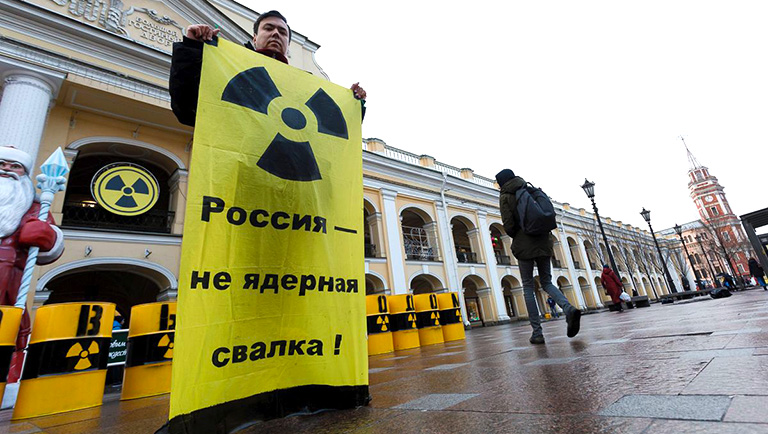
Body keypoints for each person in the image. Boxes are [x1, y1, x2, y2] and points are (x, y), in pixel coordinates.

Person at [169, 10, 367, 127]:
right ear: (255, 38)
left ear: (288, 45)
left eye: (282, 32)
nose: (275, 34)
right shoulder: (230, 71)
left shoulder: (305, 86)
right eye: (268, 28)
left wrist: (353, 104)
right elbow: (186, 109)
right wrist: (192, 48)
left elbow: (331, 130)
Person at [0, 146, 64, 381]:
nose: (6, 170)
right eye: (2, 164)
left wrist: (45, 235)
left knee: (10, 329)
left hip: (10, 280)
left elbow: (53, 247)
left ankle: (9, 377)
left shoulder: (32, 206)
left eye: (14, 166)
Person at [495, 169, 581, 345]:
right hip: (543, 241)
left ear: (502, 182)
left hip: (524, 243)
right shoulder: (529, 189)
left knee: (527, 286)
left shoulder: (505, 196)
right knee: (547, 282)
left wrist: (518, 234)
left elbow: (508, 225)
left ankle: (537, 333)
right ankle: (568, 308)